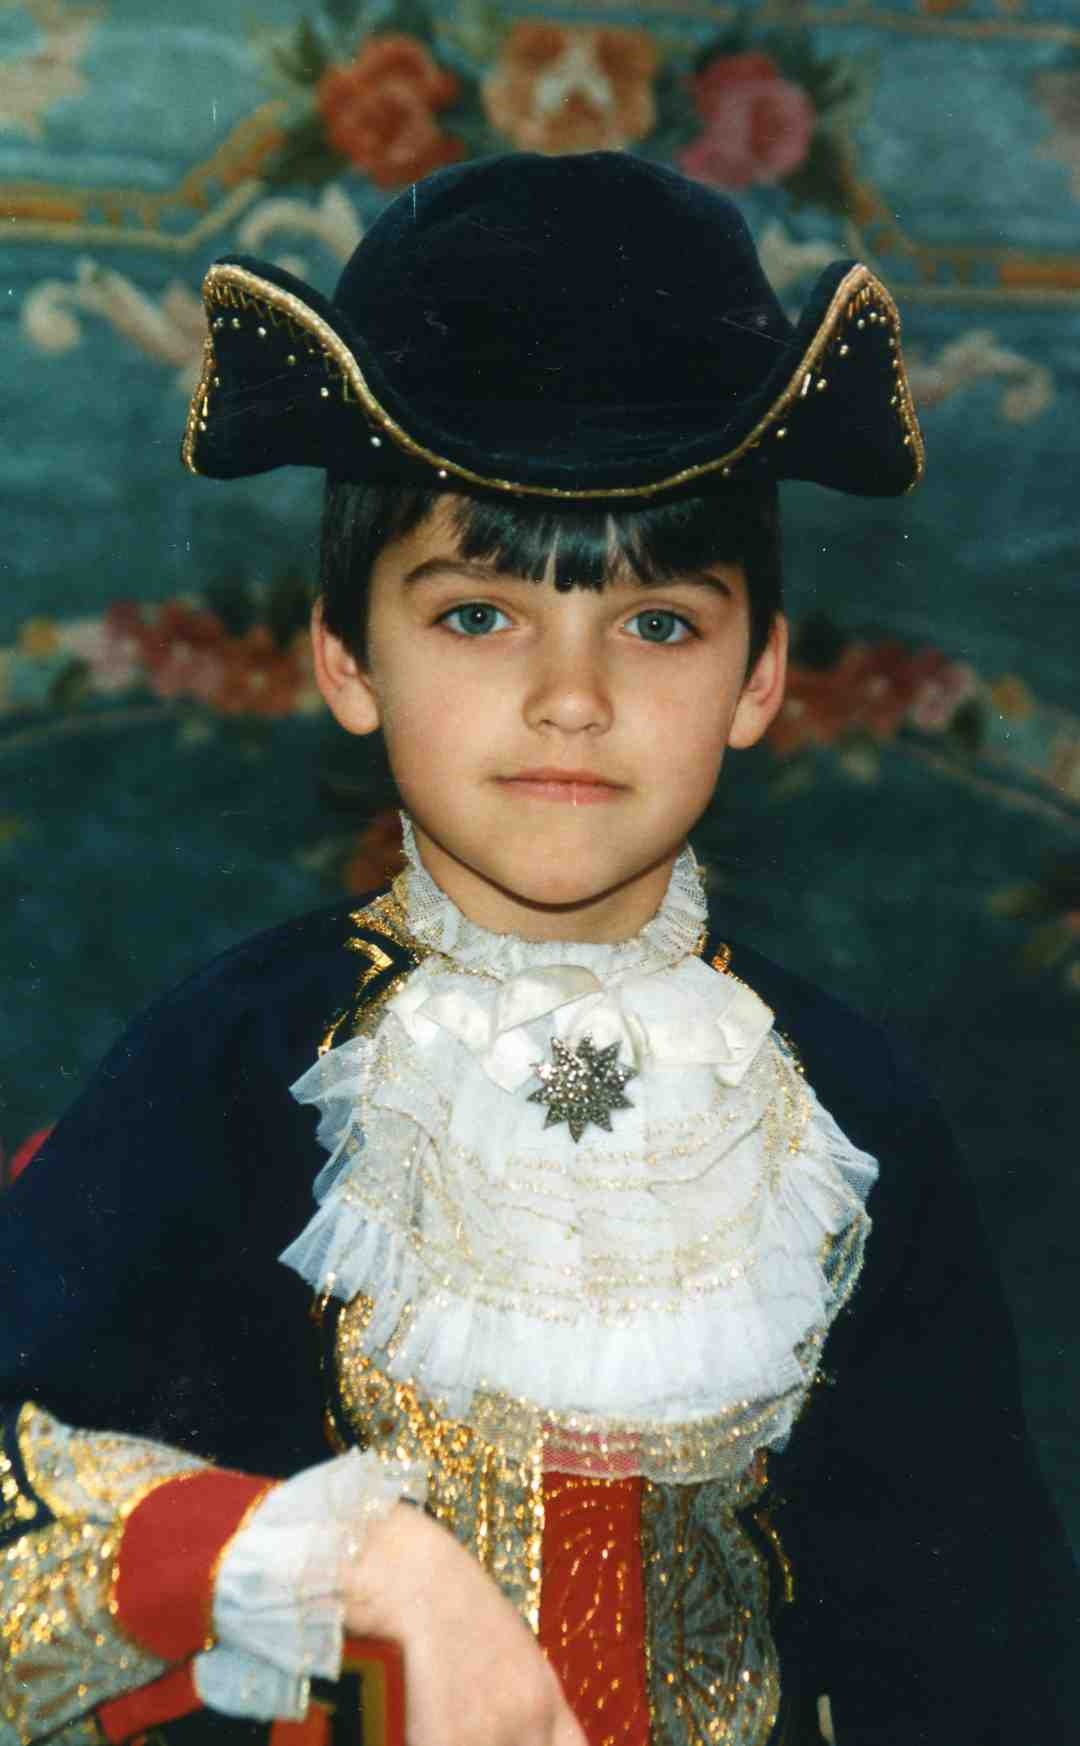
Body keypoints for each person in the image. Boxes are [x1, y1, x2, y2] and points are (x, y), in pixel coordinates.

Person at [1, 152, 1076, 1746]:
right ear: (344, 654)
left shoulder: (853, 1119)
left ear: (761, 676)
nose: (572, 698)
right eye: (477, 614)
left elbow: (982, 1655)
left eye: (658, 623)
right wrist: (347, 1562)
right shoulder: (230, 1064)